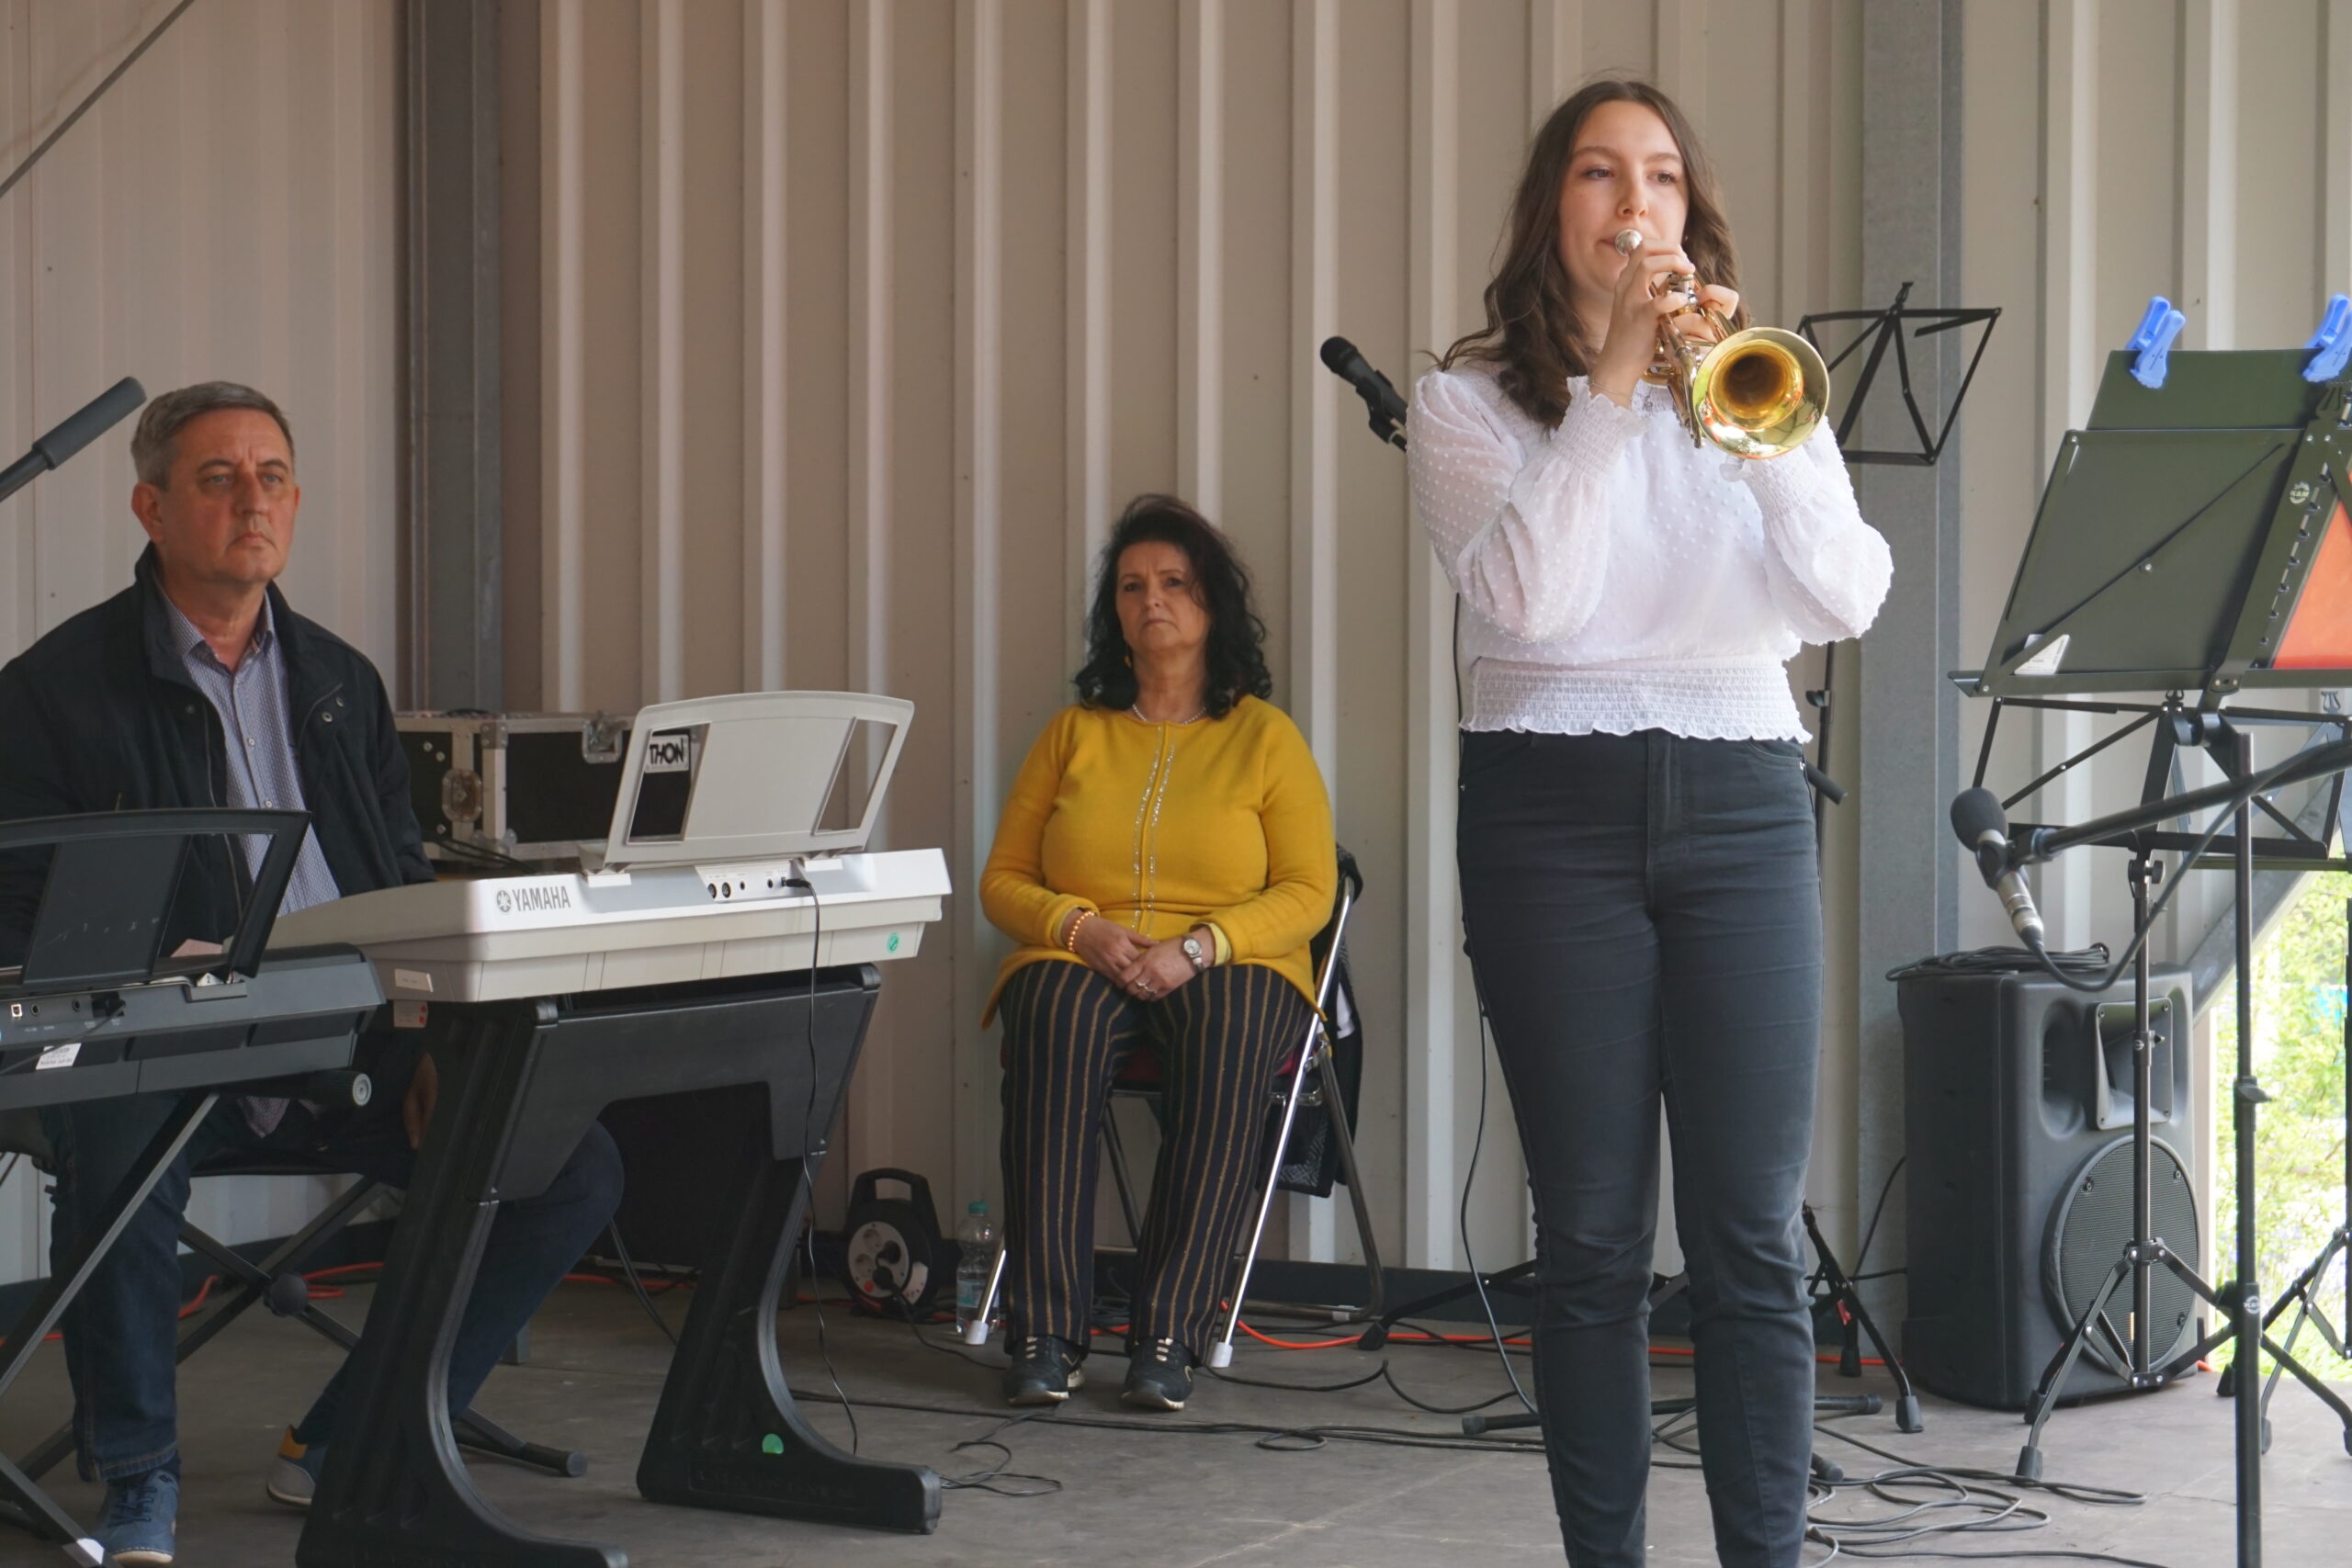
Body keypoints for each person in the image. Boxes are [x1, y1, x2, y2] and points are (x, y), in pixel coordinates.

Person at [0, 383, 623, 1567]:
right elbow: (16, 906)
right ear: (149, 508)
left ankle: (353, 1440)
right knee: (119, 1145)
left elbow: (400, 873)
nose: (253, 501)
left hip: (344, 1037)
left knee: (567, 1165)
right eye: (218, 478)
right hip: (156, 1051)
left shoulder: (340, 679)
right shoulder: (51, 690)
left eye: (273, 477)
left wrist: (434, 1039)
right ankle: (137, 1479)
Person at [1408, 82, 1891, 1568]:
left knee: (1751, 1236)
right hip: (1548, 813)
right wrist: (1613, 384)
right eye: (1602, 174)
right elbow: (1532, 602)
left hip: (1743, 801)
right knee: (1595, 1240)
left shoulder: (1754, 379)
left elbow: (1848, 595)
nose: (1637, 204)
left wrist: (1754, 435)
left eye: (1664, 177)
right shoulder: (1465, 406)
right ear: (1551, 209)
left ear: (1691, 209)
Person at [978, 495, 1336, 1413]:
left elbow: (1310, 891)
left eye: (1174, 582)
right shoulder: (1073, 734)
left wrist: (1201, 945)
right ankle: (1044, 1333)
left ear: (1213, 603)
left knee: (1228, 1031)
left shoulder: (1266, 738)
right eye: (1133, 586)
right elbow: (1003, 880)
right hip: (1085, 950)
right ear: (1116, 613)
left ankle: (1167, 1332)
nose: (1153, 601)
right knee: (1049, 1014)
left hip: (1228, 960)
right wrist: (1079, 929)